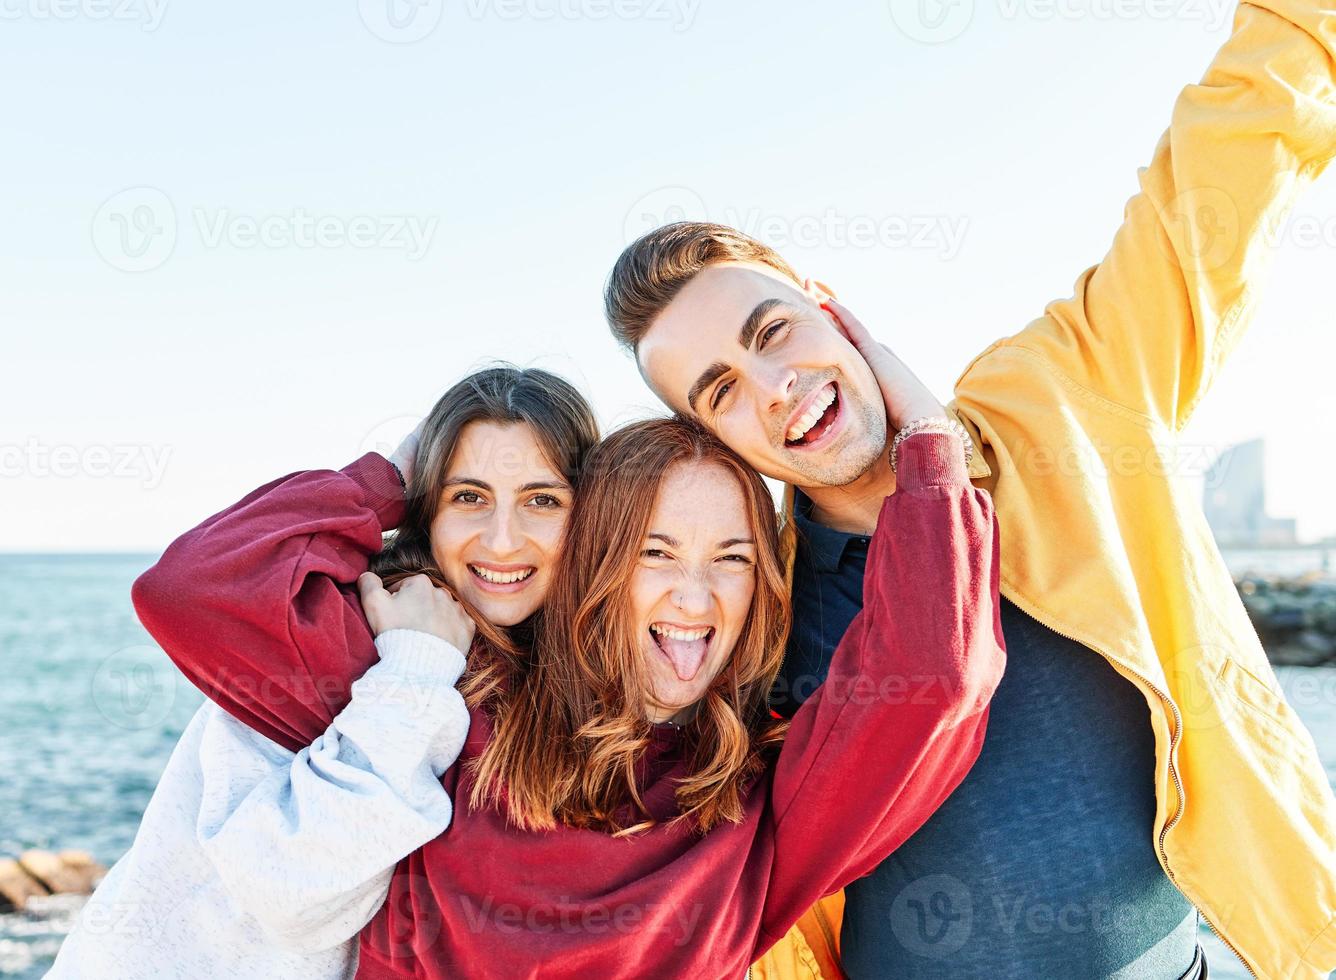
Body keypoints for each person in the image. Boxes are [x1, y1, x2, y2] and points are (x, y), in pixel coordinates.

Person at [603, 1, 1336, 975]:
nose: (774, 386)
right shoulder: (746, 619)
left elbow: (1224, 159)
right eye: (721, 392)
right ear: (713, 439)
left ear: (829, 310)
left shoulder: (1062, 397)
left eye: (772, 331)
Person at [149, 410, 1005, 979]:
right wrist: (409, 468)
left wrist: (926, 444)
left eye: (733, 558)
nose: (695, 596)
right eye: (655, 552)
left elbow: (938, 678)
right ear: (594, 565)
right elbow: (197, 591)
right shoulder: (447, 704)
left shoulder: (761, 811)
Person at [49, 366, 600, 979]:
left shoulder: (555, 677)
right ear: (426, 509)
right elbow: (182, 587)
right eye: (467, 496)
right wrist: (384, 479)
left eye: (542, 500)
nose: (502, 540)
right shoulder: (345, 626)